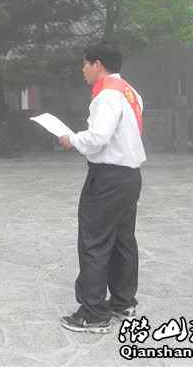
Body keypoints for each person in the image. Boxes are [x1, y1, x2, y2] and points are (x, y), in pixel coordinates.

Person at [58, 41, 146, 334]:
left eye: (85, 63)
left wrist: (72, 139)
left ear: (98, 64)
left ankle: (93, 314)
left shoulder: (107, 95)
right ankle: (123, 302)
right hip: (130, 176)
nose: (83, 69)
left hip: (108, 177)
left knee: (94, 241)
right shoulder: (130, 92)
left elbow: (98, 137)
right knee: (123, 241)